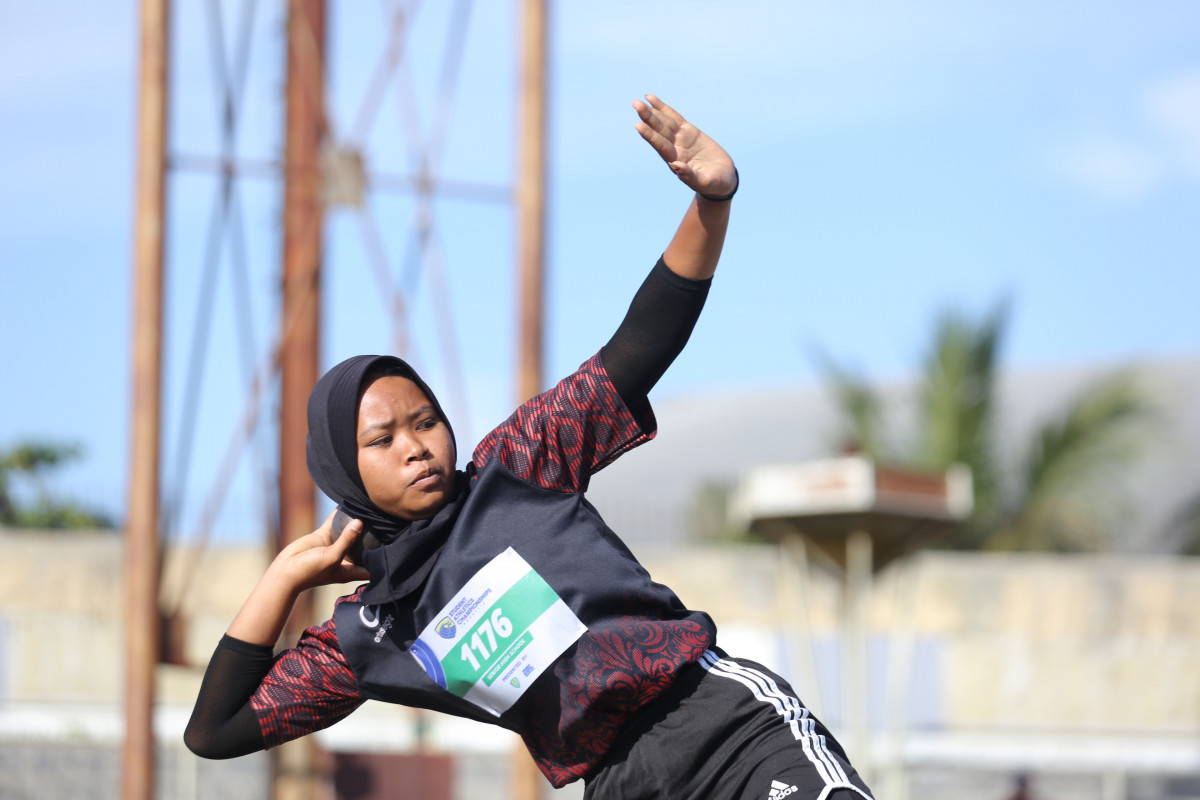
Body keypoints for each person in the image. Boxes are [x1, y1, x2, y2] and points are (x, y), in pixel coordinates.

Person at [185, 96, 874, 800]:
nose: (416, 447)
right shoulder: (374, 631)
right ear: (344, 472)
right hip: (620, 786)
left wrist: (712, 202)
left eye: (426, 421)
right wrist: (283, 579)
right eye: (382, 439)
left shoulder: (519, 462)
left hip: (726, 728)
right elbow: (214, 733)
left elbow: (640, 346)